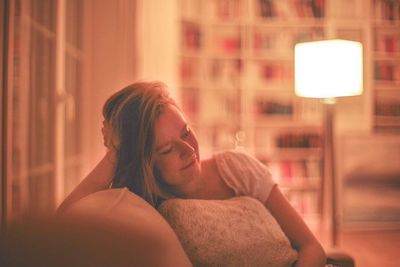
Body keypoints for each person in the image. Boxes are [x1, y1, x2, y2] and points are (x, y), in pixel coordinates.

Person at [58, 81, 326, 267]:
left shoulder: (237, 169)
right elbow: (64, 226)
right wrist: (115, 153)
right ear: (145, 163)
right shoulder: (147, 206)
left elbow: (312, 248)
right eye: (166, 149)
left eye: (186, 132)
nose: (188, 149)